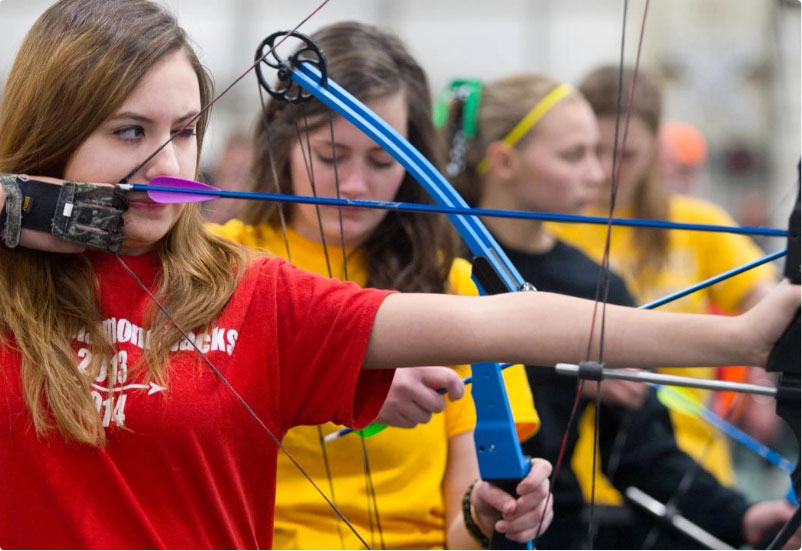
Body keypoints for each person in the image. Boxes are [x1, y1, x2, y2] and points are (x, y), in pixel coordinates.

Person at [0, 2, 798, 549]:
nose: (169, 165)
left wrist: (740, 334)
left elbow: (503, 322)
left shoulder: (245, 285)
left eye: (186, 132)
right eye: (131, 130)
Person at [209, 21, 541, 550]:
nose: (356, 186)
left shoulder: (454, 289)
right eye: (329, 157)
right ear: (283, 141)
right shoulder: (212, 266)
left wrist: (486, 515)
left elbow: (465, 531)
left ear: (414, 163)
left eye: (384, 160)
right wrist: (341, 380)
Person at [440, 72, 798, 549]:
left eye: (606, 153)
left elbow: (642, 451)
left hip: (551, 532)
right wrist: (561, 370)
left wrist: (739, 517)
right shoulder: (431, 260)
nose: (597, 172)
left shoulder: (596, 282)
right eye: (576, 155)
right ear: (504, 160)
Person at [547, 64, 784, 545]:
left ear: (656, 146)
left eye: (628, 153)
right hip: (576, 487)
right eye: (595, 151)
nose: (611, 169)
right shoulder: (552, 230)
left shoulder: (699, 225)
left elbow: (775, 305)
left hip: (691, 485)